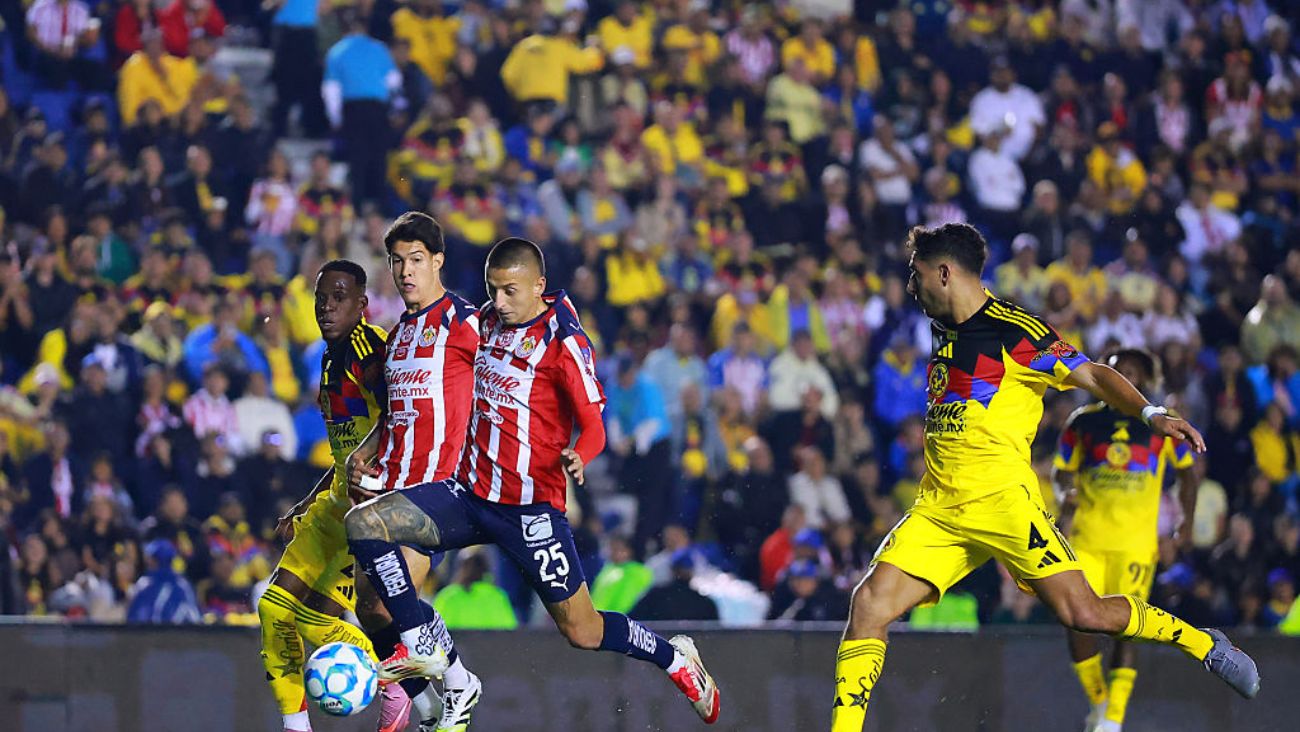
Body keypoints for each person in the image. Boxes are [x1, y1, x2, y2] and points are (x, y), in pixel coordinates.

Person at [829, 223, 1259, 732]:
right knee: (870, 603)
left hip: (1005, 503)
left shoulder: (1015, 331)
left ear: (944, 273)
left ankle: (1203, 643)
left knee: (1085, 614)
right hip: (940, 508)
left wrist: (1150, 414)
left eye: (916, 274)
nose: (910, 286)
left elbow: (1093, 374)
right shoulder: (943, 325)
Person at [345, 237, 722, 724]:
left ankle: (674, 657)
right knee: (364, 525)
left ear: (539, 285)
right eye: (493, 290)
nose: (498, 303)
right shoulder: (486, 320)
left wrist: (580, 456)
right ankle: (426, 653)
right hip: (469, 496)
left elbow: (595, 426)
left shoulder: (563, 341)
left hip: (530, 512)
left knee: (582, 630)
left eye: (509, 292)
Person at [255, 259, 443, 732]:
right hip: (334, 499)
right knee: (274, 607)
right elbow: (344, 450)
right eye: (321, 298)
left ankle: (400, 679)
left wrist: (378, 474)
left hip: (367, 505)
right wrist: (306, 500)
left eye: (339, 298)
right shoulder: (327, 356)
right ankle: (297, 727)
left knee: (323, 617)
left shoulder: (367, 348)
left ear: (361, 304)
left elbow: (401, 413)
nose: (326, 307)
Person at [341, 211, 483, 732]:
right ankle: (428, 707)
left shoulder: (465, 322)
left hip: (434, 491)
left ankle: (460, 679)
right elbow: (397, 412)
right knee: (371, 610)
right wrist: (369, 448)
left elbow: (512, 371)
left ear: (437, 261)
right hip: (387, 488)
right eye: (397, 261)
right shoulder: (399, 334)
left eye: (416, 260)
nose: (405, 272)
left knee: (393, 604)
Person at [1054, 348, 1198, 732]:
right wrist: (1065, 491)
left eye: (1132, 373)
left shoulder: (1161, 426)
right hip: (1086, 538)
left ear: (1146, 381)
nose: (1124, 379)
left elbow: (1189, 474)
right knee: (1077, 622)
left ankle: (1113, 720)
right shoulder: (1081, 423)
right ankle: (1100, 702)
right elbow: (1061, 471)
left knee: (1125, 628)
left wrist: (1185, 522)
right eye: (1116, 373)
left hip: (1135, 544)